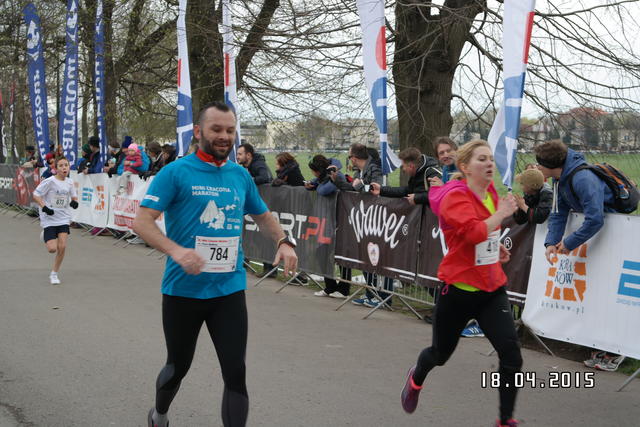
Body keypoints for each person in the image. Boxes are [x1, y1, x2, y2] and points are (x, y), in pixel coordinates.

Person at [133, 101, 298, 427]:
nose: (224, 136)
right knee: (178, 366)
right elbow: (142, 222)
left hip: (228, 289)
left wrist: (283, 240)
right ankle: (159, 414)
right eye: (217, 129)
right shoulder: (175, 172)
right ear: (198, 132)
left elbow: (263, 216)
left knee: (235, 372)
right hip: (184, 290)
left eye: (230, 130)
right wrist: (177, 251)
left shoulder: (240, 175)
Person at [401, 140, 521, 427]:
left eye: (490, 158)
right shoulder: (456, 196)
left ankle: (505, 420)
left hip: (491, 289)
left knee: (512, 356)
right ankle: (416, 377)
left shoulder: (491, 193)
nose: (489, 163)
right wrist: (502, 214)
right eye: (482, 159)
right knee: (440, 354)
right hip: (458, 290)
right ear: (465, 167)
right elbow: (471, 233)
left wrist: (495, 248)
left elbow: (485, 233)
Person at [533, 139, 615, 264]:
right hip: (596, 232)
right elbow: (558, 212)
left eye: (540, 164)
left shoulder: (583, 179)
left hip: (613, 228)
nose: (537, 167)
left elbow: (595, 219)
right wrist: (551, 242)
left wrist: (569, 243)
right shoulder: (557, 178)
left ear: (551, 165)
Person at [331, 143, 392, 309]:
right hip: (365, 219)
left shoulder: (375, 168)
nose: (350, 159)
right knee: (366, 256)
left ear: (354, 158)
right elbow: (352, 188)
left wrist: (359, 186)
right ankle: (371, 293)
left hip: (379, 218)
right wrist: (337, 180)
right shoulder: (359, 171)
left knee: (380, 257)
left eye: (349, 156)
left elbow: (377, 189)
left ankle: (384, 297)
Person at [306, 155, 351, 298]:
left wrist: (316, 185)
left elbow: (323, 191)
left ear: (319, 170)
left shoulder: (337, 175)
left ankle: (344, 289)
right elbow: (318, 184)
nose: (313, 174)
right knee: (322, 253)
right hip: (327, 221)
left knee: (341, 256)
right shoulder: (324, 177)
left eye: (314, 171)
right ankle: (330, 287)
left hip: (340, 221)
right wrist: (313, 184)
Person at [32, 157, 78, 285]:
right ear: (56, 168)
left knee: (62, 247)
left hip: (63, 218)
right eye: (61, 165)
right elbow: (36, 194)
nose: (64, 168)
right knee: (52, 249)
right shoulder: (50, 181)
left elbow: (74, 197)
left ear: (69, 167)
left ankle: (54, 273)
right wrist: (44, 207)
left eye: (66, 165)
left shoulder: (70, 182)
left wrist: (74, 202)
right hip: (49, 219)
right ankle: (45, 235)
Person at [236, 142, 275, 277]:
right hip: (256, 204)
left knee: (265, 234)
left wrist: (248, 181)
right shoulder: (248, 166)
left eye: (240, 154)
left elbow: (266, 177)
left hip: (266, 204)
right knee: (251, 235)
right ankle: (245, 261)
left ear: (248, 155)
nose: (237, 156)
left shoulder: (258, 164)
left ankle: (270, 268)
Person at [370, 147, 441, 205]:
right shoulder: (417, 173)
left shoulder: (432, 173)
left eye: (403, 166)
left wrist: (417, 198)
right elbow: (406, 191)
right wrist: (381, 190)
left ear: (411, 166)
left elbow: (439, 194)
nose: (403, 169)